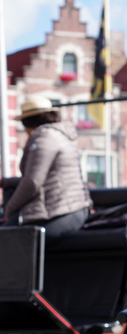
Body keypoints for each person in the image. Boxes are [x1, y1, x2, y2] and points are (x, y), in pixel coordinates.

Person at [0, 95, 92, 241]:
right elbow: (46, 178)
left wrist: (8, 211)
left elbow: (32, 182)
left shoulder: (44, 138)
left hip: (58, 212)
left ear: (27, 122)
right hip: (72, 209)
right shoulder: (59, 135)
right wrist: (6, 182)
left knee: (5, 240)